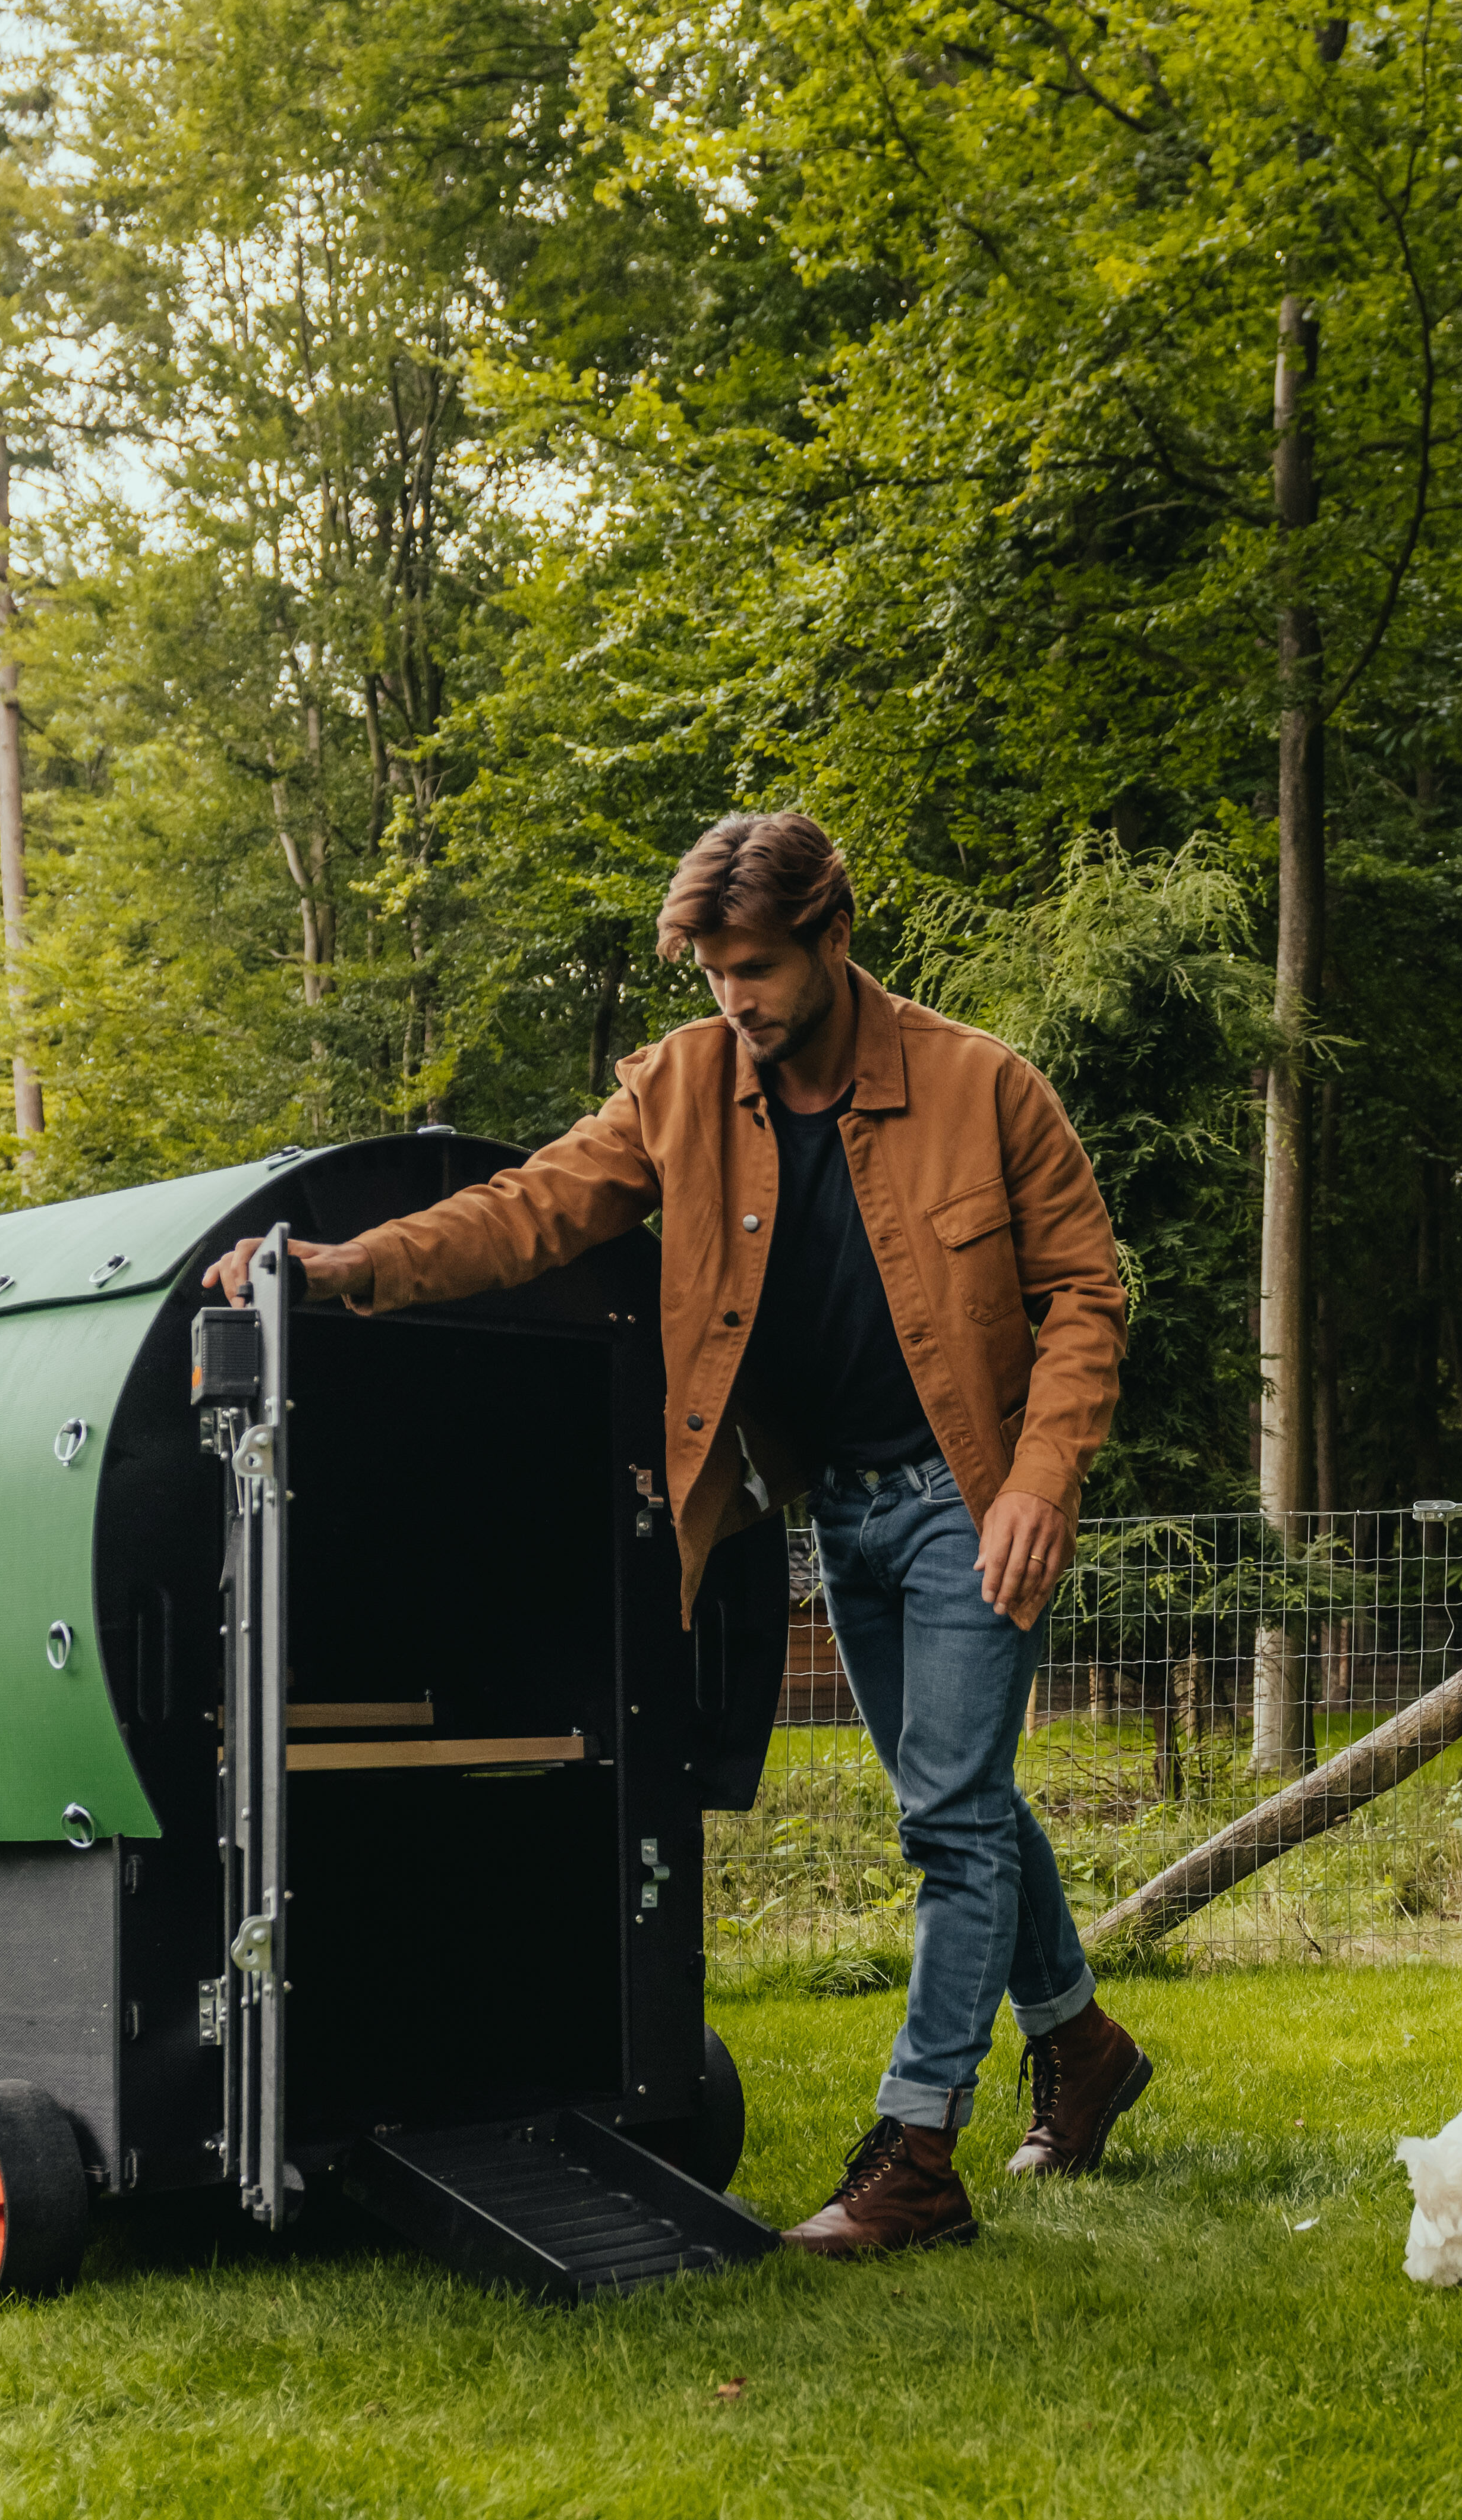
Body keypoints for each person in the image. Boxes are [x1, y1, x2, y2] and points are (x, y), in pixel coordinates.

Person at [206, 810, 1149, 2256]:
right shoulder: (683, 1088)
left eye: (756, 967)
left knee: (951, 1819)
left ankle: (917, 2156)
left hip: (974, 1502)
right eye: (713, 973)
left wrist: (1042, 1478)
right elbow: (530, 1210)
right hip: (841, 1509)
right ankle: (1082, 2045)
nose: (735, 998)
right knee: (962, 1797)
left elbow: (1086, 1293)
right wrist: (351, 1268)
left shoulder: (986, 1086)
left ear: (833, 938)